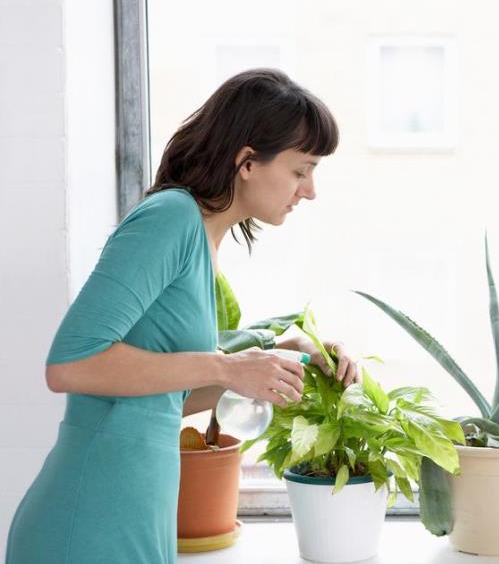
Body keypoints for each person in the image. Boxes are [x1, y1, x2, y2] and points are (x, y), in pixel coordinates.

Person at [5, 69, 358, 563]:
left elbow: (167, 394)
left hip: (136, 511)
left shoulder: (202, 240)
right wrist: (225, 366)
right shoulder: (170, 218)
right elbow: (71, 365)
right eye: (301, 170)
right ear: (248, 161)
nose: (310, 190)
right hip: (88, 521)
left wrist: (283, 364)